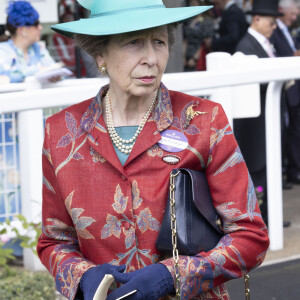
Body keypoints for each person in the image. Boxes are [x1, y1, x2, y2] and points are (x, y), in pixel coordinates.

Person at [37, 0, 269, 299]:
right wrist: (82, 277)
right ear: (100, 54)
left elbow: (250, 236)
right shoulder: (61, 132)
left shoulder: (205, 121)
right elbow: (54, 241)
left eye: (159, 42)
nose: (151, 58)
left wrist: (172, 275)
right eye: (133, 42)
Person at [235, 0, 291, 226]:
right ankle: (260, 219)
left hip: (271, 120)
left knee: (270, 171)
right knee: (258, 174)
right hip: (256, 125)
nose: (275, 26)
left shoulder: (264, 43)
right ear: (256, 19)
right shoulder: (245, 47)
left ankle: (270, 215)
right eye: (271, 21)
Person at [271, 0, 300, 185]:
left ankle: (292, 169)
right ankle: (289, 170)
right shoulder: (275, 31)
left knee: (294, 130)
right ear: (282, 11)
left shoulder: (286, 30)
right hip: (284, 90)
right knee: (287, 131)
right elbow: (279, 57)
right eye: (293, 13)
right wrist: (293, 57)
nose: (294, 17)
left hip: (293, 89)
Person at [0, 1, 58, 83]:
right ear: (22, 30)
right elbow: (5, 77)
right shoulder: (3, 51)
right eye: (36, 24)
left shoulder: (39, 48)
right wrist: (38, 71)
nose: (40, 28)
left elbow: (53, 69)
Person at [183, 0, 214, 71]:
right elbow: (186, 39)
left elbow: (205, 43)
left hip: (198, 59)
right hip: (187, 58)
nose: (192, 5)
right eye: (191, 3)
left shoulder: (207, 21)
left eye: (194, 3)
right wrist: (183, 57)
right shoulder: (190, 20)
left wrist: (194, 58)